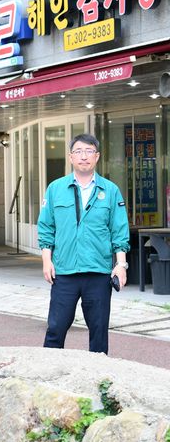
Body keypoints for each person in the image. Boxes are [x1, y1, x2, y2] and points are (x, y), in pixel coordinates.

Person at [38, 133, 130, 354]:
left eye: (89, 151)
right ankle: (46, 376)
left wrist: (121, 265)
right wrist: (46, 261)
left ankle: (99, 381)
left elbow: (119, 230)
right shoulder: (55, 189)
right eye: (78, 151)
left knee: (99, 331)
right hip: (65, 272)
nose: (84, 156)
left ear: (97, 157)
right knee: (56, 329)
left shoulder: (110, 190)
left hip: (98, 272)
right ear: (70, 157)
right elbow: (46, 228)